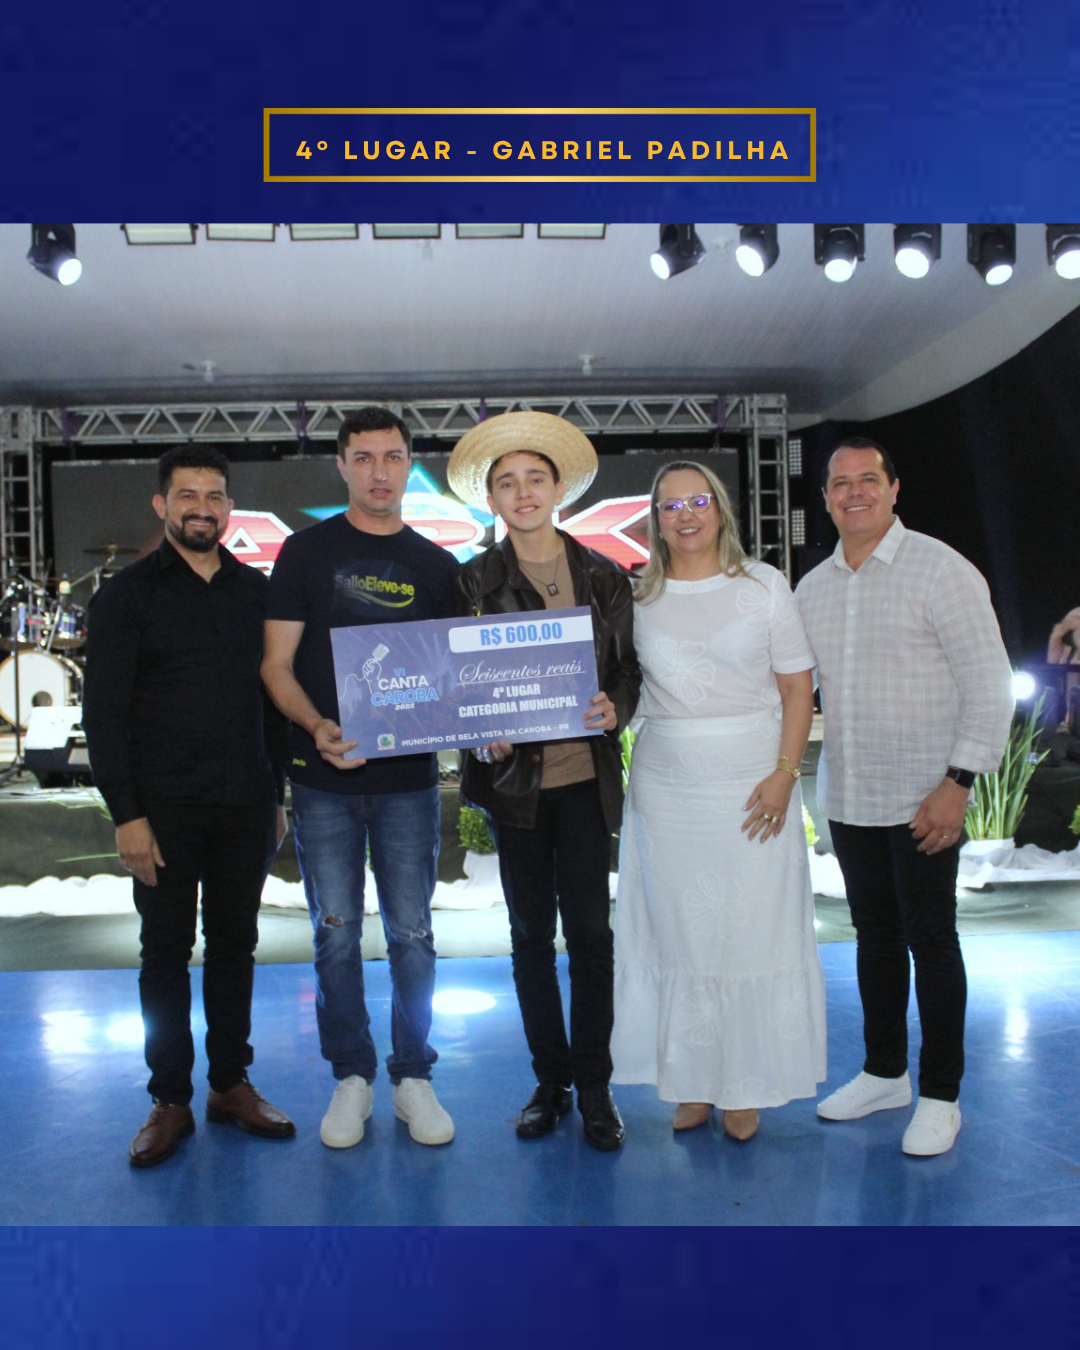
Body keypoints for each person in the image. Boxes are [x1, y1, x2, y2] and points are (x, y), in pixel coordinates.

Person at [796, 437, 1014, 1156]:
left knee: (932, 939)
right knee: (875, 938)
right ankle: (885, 1072)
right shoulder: (812, 588)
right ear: (825, 499)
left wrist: (960, 783)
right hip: (852, 793)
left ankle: (941, 1095)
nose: (854, 492)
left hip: (927, 795)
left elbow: (990, 684)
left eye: (868, 479)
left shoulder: (941, 569)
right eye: (840, 483)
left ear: (894, 489)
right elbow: (790, 686)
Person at [83, 445, 294, 1168]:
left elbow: (273, 704)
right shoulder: (125, 597)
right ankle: (169, 1098)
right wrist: (127, 814)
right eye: (187, 495)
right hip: (162, 809)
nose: (202, 508)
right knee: (165, 952)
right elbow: (104, 717)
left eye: (214, 496)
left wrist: (276, 793)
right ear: (161, 504)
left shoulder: (258, 593)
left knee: (236, 946)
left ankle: (230, 1084)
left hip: (245, 803)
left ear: (228, 507)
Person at [262, 406, 460, 1149]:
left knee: (413, 934)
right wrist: (317, 726)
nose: (380, 471)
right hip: (324, 781)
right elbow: (275, 667)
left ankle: (413, 1076)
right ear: (341, 465)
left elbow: (453, 679)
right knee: (336, 935)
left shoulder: (437, 566)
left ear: (410, 464)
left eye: (393, 456)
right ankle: (351, 1076)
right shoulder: (304, 553)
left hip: (409, 783)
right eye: (365, 457)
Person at [610, 461, 826, 1141]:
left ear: (721, 508)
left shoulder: (763, 585)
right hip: (666, 793)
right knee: (679, 935)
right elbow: (620, 684)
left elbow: (797, 688)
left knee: (750, 934)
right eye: (671, 505)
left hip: (754, 787)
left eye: (698, 501)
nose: (686, 515)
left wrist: (785, 775)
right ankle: (693, 1083)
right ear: (655, 518)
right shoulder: (637, 596)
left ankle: (745, 1086)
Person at [448, 411, 641, 1150]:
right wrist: (478, 727)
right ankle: (550, 1082)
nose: (523, 492)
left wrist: (615, 707)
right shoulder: (471, 581)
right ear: (492, 500)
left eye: (535, 479)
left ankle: (594, 1085)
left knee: (591, 935)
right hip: (514, 790)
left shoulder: (604, 576)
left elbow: (628, 672)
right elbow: (452, 684)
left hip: (585, 784)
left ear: (559, 489)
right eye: (507, 483)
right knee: (530, 936)